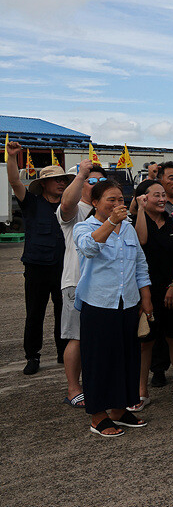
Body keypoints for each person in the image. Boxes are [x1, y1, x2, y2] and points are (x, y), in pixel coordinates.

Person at [73, 179, 152, 437]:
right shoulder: (84, 227)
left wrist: (146, 297)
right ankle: (98, 415)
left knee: (127, 357)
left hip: (127, 302)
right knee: (99, 360)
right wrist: (111, 222)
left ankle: (120, 408)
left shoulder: (128, 228)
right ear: (95, 203)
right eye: (111, 199)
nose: (118, 204)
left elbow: (140, 264)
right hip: (98, 303)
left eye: (120, 199)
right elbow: (88, 248)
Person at [5, 142, 69, 375]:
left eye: (64, 180)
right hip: (36, 266)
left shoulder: (69, 206)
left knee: (64, 311)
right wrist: (12, 157)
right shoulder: (31, 203)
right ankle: (32, 356)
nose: (62, 182)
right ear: (43, 184)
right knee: (35, 313)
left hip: (63, 267)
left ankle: (64, 352)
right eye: (57, 180)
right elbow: (14, 182)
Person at [132, 180, 173, 409]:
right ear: (143, 198)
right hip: (144, 291)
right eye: (155, 195)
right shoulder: (134, 222)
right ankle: (141, 392)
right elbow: (141, 241)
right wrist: (138, 209)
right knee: (145, 342)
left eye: (163, 195)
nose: (161, 199)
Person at [56, 159, 107, 407]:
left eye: (100, 181)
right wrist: (80, 175)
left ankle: (97, 384)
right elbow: (66, 202)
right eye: (91, 181)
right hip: (77, 283)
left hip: (104, 286)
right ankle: (74, 389)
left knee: (100, 338)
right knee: (76, 337)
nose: (95, 184)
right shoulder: (75, 211)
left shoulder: (111, 211)